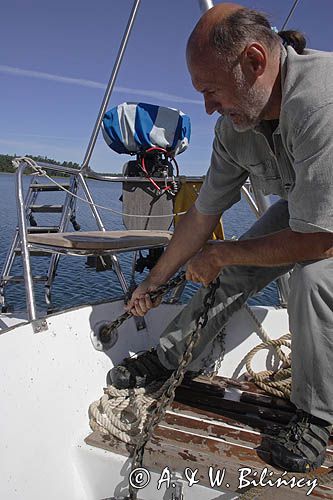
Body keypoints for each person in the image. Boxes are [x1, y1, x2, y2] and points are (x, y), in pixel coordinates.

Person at [110, 3, 333, 472]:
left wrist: (223, 252)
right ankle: (170, 358)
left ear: (255, 62)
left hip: (325, 227)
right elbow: (201, 214)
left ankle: (315, 414)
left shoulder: (321, 101)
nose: (208, 106)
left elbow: (319, 242)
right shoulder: (235, 130)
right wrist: (154, 280)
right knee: (231, 265)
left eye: (211, 90)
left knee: (314, 280)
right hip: (310, 209)